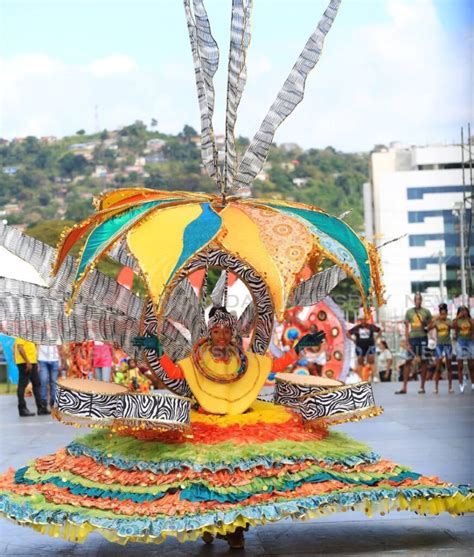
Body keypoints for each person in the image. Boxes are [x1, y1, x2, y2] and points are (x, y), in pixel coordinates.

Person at [396, 293, 432, 394]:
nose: (418, 301)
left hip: (423, 338)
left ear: (421, 300)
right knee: (408, 361)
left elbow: (431, 323)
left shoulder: (426, 312)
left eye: (419, 299)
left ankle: (422, 387)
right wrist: (406, 341)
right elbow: (407, 327)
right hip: (412, 338)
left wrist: (428, 329)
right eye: (416, 299)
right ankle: (404, 387)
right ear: (414, 300)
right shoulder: (409, 312)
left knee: (424, 361)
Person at [14, 337, 49, 417]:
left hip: (32, 362)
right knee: (22, 385)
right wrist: (27, 362)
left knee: (37, 384)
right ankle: (22, 408)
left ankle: (40, 408)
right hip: (24, 363)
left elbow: (33, 349)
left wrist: (35, 362)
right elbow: (20, 348)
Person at [428, 303, 453, 394]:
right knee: (438, 367)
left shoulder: (449, 321)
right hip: (439, 345)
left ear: (446, 314)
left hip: (448, 345)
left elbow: (453, 326)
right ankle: (436, 387)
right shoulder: (437, 322)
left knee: (449, 367)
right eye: (441, 314)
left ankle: (450, 387)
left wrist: (444, 320)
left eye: (444, 314)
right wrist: (434, 319)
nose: (443, 316)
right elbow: (428, 328)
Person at [37, 344, 66, 410]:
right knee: (43, 381)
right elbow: (36, 345)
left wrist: (63, 361)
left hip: (54, 359)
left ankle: (53, 401)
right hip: (42, 359)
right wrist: (36, 361)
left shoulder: (56, 334)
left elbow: (60, 346)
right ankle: (43, 403)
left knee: (53, 381)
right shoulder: (39, 333)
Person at [453, 306, 474, 393]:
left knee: (471, 365)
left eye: (464, 310)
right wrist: (458, 316)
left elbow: (473, 326)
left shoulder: (470, 320)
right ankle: (461, 383)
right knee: (460, 365)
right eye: (461, 311)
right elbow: (453, 325)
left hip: (469, 341)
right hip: (460, 341)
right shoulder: (457, 320)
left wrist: (467, 317)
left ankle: (473, 383)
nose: (463, 312)